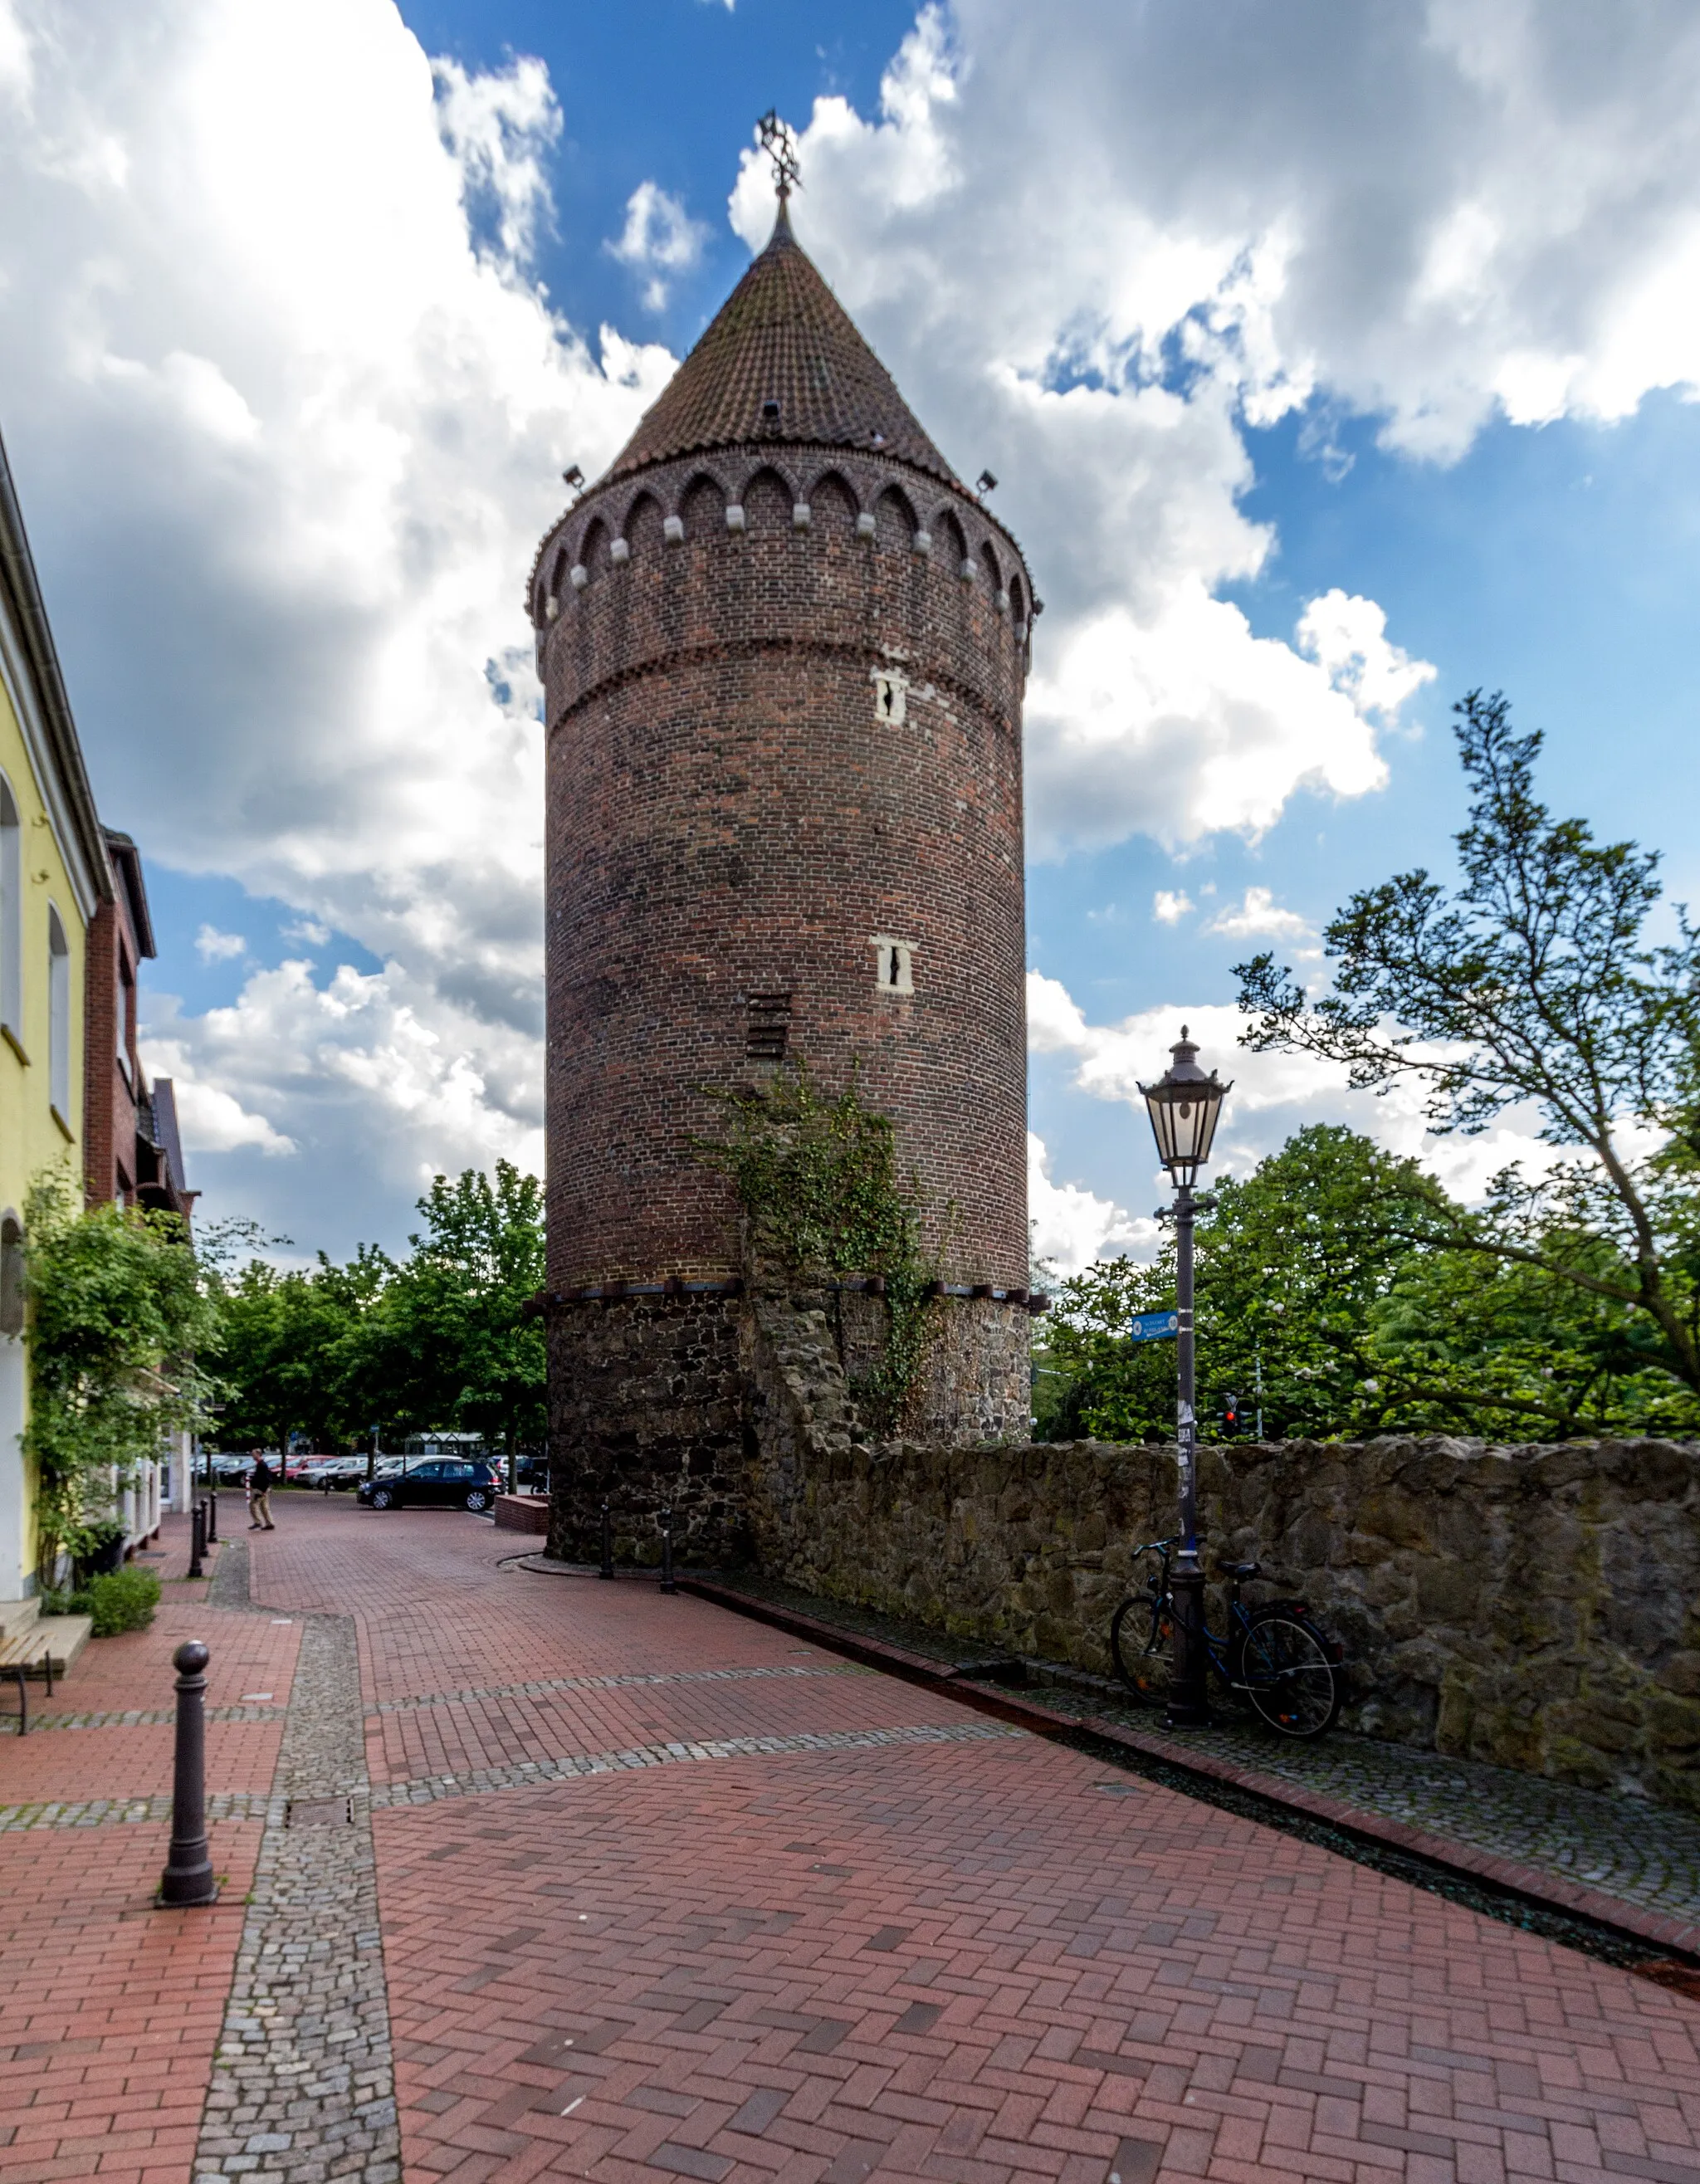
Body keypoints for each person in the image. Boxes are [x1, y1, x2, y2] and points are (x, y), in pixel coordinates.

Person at [248, 1449, 276, 1532]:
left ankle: (257, 1522)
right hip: (264, 1488)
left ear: (258, 1454)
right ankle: (270, 1523)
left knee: (253, 1504)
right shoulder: (262, 1464)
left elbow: (265, 1478)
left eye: (253, 1454)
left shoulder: (262, 1465)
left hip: (260, 1489)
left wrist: (263, 1490)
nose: (252, 1456)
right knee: (264, 1506)